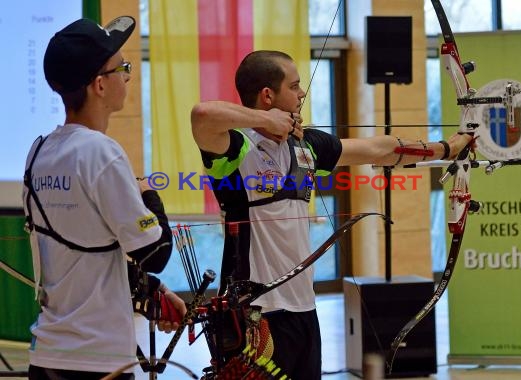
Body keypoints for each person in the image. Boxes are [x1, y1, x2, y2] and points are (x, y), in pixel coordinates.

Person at [190, 50, 472, 379]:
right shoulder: (235, 149)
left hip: (304, 311)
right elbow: (202, 114)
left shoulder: (305, 146)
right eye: (294, 86)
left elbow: (377, 149)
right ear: (267, 95)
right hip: (254, 314)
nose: (302, 93)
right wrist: (267, 121)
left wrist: (446, 148)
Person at [22, 16, 186, 380]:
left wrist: (154, 291)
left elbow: (84, 249)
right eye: (122, 68)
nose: (127, 77)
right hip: (97, 362)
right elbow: (156, 253)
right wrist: (148, 192)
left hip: (49, 356)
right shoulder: (101, 152)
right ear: (99, 85)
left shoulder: (39, 151)